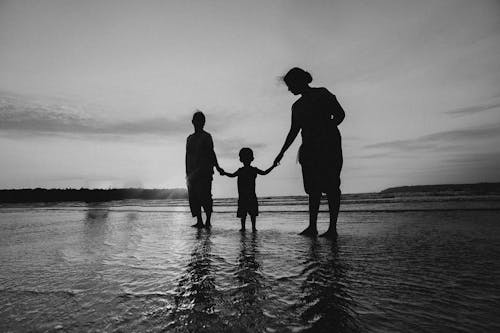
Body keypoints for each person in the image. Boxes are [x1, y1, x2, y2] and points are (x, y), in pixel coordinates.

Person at [273, 68, 345, 238]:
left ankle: (332, 229)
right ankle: (312, 227)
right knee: (313, 188)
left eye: (290, 85)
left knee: (332, 186)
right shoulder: (296, 106)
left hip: (329, 147)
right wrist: (281, 153)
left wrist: (327, 129)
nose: (289, 89)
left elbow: (340, 115)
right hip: (309, 150)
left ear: (299, 81)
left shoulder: (323, 94)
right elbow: (293, 131)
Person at [221, 148, 275, 231]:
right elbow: (264, 173)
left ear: (241, 159)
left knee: (244, 214)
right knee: (252, 214)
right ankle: (253, 227)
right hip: (251, 195)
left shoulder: (241, 170)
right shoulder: (253, 170)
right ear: (252, 159)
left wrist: (224, 173)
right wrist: (273, 166)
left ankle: (243, 228)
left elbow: (231, 175)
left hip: (243, 196)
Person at [185, 111, 223, 228]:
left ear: (204, 122)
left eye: (201, 121)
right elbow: (187, 155)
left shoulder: (207, 137)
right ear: (193, 122)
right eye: (196, 121)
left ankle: (208, 221)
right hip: (191, 173)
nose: (198, 123)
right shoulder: (190, 138)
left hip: (204, 171)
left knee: (205, 196)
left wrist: (217, 167)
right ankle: (199, 221)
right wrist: (187, 172)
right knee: (194, 197)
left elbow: (211, 152)